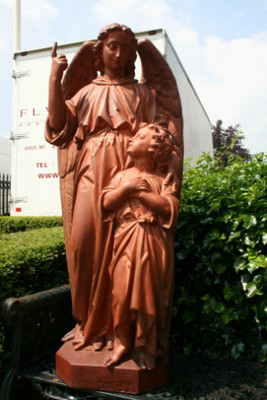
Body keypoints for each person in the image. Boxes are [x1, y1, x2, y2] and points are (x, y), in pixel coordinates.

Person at [45, 24, 158, 351]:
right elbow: (57, 125)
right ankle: (87, 323)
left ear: (131, 55)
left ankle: (123, 333)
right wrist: (54, 78)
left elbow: (156, 143)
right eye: (111, 46)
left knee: (125, 253)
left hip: (128, 174)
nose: (118, 53)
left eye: (124, 48)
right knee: (83, 245)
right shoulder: (86, 93)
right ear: (100, 51)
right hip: (91, 175)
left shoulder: (143, 94)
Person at [101, 123, 179, 369]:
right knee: (121, 294)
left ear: (155, 149)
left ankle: (146, 346)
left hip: (153, 243)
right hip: (124, 240)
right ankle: (123, 341)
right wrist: (127, 189)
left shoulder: (163, 179)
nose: (131, 140)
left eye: (140, 136)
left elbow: (169, 207)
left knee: (149, 296)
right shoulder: (121, 176)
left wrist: (142, 195)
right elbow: (106, 202)